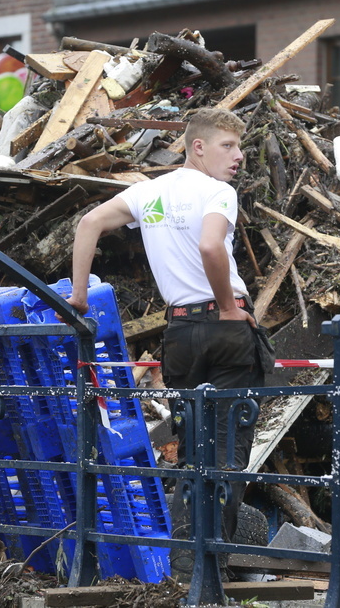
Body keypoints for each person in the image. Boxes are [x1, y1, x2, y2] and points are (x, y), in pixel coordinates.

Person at [65, 107, 272, 579]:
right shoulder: (218, 192)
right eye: (228, 146)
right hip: (225, 329)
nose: (238, 156)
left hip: (179, 332)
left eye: (239, 147)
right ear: (197, 146)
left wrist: (78, 294)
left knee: (194, 445)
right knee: (226, 449)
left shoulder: (148, 192)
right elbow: (210, 247)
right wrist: (225, 306)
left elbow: (87, 225)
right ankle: (209, 570)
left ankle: (184, 565)